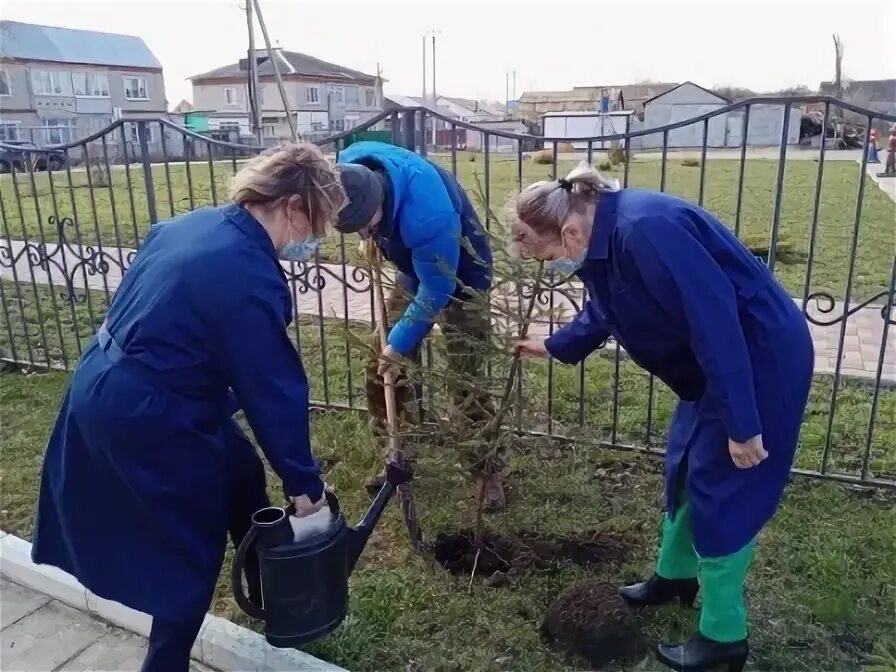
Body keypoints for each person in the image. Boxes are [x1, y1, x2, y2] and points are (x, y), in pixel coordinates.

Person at [31, 144, 346, 672]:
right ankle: (165, 663)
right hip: (151, 412)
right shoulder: (245, 273)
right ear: (292, 205)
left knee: (240, 470)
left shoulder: (190, 225)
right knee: (186, 552)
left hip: (109, 381)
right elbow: (270, 388)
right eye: (315, 223)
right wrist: (304, 484)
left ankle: (280, 598)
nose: (312, 240)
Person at [512, 164, 814, 671]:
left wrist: (743, 423)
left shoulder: (647, 230)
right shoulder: (603, 232)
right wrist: (554, 344)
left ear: (567, 231)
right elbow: (608, 306)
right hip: (711, 365)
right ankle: (675, 577)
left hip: (754, 359)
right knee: (685, 462)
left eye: (551, 256)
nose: (557, 265)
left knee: (726, 484)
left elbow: (714, 321)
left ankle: (723, 638)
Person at [333, 141, 502, 510]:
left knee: (465, 378)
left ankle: (484, 471)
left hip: (462, 274)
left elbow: (438, 288)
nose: (362, 235)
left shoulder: (428, 216)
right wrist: (375, 236)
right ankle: (397, 454)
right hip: (416, 265)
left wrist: (399, 344)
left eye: (366, 226)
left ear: (380, 202)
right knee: (380, 366)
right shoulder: (349, 168)